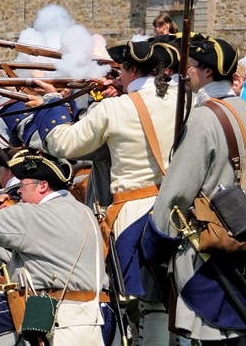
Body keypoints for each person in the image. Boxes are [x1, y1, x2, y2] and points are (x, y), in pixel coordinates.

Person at [35, 39, 179, 344]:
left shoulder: (116, 108)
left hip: (132, 216)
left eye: (121, 70)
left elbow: (64, 144)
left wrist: (52, 102)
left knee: (141, 302)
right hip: (176, 211)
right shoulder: (184, 99)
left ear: (128, 69)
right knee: (164, 298)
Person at [0, 151, 111, 345]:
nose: (18, 192)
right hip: (96, 320)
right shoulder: (82, 210)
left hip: (60, 326)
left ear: (43, 186)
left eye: (23, 185)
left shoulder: (32, 216)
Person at [144, 33, 246, 344]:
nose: (184, 72)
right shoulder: (243, 109)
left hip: (212, 249)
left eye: (189, 66)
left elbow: (177, 193)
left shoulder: (204, 118)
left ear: (208, 72)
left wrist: (154, 243)